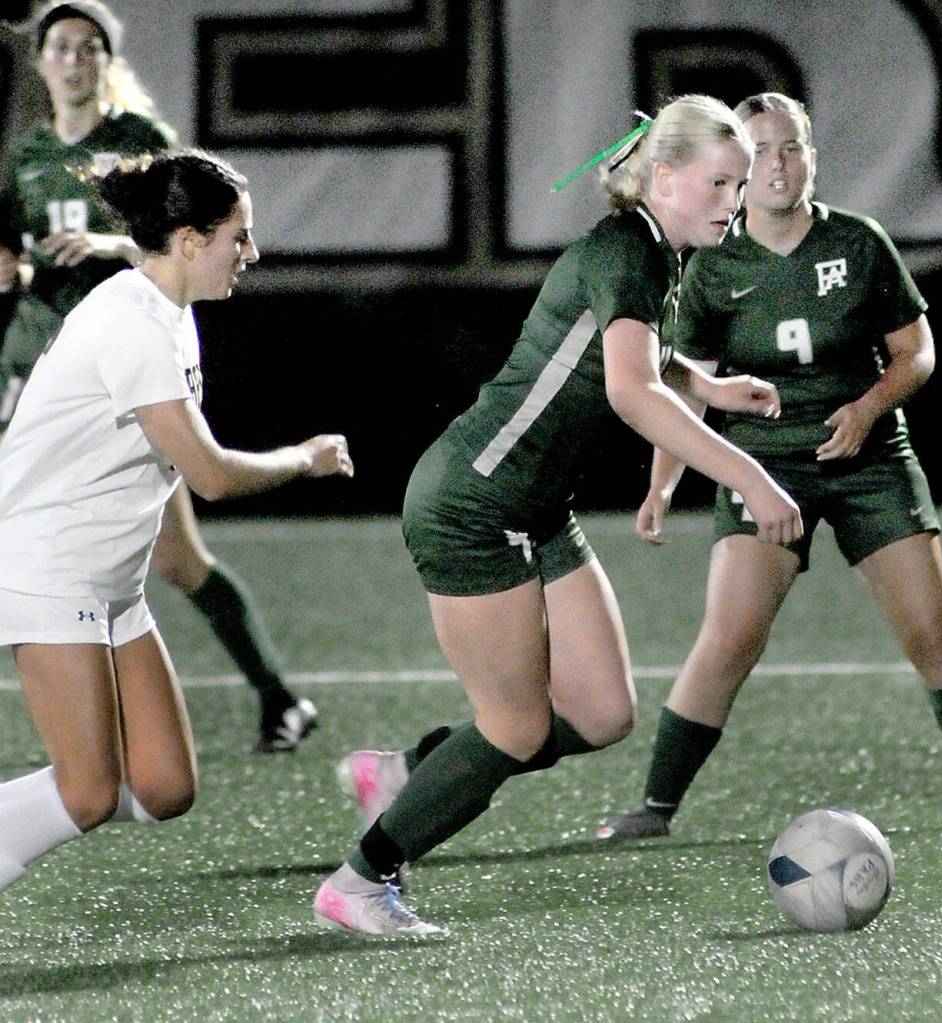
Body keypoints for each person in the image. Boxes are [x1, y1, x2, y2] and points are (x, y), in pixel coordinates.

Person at [311, 94, 803, 936]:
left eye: (743, 182)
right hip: (474, 504)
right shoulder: (629, 249)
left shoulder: (658, 252)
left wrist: (709, 386)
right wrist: (750, 476)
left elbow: (638, 356)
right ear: (665, 175)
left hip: (533, 507)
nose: (736, 198)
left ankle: (409, 771)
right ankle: (361, 881)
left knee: (604, 712)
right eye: (721, 181)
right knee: (515, 725)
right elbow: (629, 387)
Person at [596, 92, 942, 842]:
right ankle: (656, 804)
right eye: (761, 151)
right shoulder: (712, 261)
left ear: (811, 155)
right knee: (730, 637)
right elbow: (688, 387)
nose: (777, 165)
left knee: (935, 634)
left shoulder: (862, 243)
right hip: (764, 465)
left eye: (790, 148)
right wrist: (662, 483)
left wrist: (868, 407)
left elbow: (919, 353)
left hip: (871, 460)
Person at [0, 147, 353, 895]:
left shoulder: (167, 307)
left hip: (111, 583)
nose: (250, 253)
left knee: (164, 786)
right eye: (239, 237)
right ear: (190, 240)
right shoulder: (134, 325)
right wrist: (304, 458)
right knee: (87, 791)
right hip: (47, 569)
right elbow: (212, 476)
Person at [0, 1, 317, 753]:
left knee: (177, 556)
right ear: (40, 62)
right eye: (60, 48)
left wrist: (107, 245)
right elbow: (9, 244)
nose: (74, 62)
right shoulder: (27, 152)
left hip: (130, 379)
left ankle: (279, 697)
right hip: (43, 370)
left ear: (109, 62)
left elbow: (170, 248)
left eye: (88, 49)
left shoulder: (141, 145)